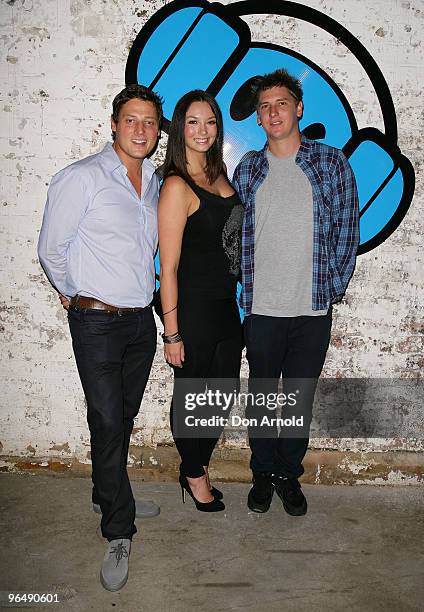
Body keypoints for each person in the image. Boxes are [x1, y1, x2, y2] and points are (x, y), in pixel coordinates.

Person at [38, 84, 163, 591]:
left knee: (121, 418)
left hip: (140, 322)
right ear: (113, 124)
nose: (141, 130)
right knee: (108, 418)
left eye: (150, 122)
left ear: (158, 132)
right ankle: (117, 526)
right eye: (131, 120)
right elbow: (51, 248)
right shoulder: (82, 177)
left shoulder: (155, 182)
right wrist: (76, 294)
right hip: (97, 322)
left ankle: (109, 488)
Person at [233, 69, 359, 515]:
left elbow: (347, 229)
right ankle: (263, 472)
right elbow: (237, 234)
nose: (273, 112)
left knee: (298, 399)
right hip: (262, 309)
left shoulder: (330, 164)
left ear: (298, 108)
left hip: (311, 308)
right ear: (259, 117)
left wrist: (333, 287)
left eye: (281, 103)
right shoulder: (248, 168)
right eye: (265, 107)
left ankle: (289, 474)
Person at [158, 90, 244, 512]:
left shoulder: (221, 176)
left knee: (219, 397)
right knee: (192, 397)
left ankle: (196, 464)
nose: (202, 130)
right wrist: (171, 332)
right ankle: (194, 473)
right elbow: (167, 267)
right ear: (179, 128)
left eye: (210, 121)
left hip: (228, 308)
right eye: (192, 121)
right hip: (192, 309)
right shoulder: (177, 184)